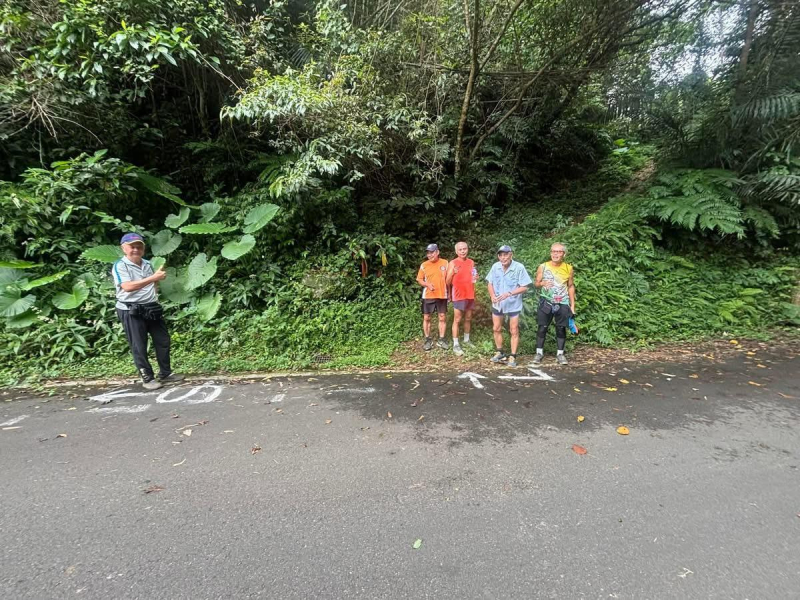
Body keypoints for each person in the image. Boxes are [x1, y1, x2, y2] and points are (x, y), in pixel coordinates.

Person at [112, 233, 184, 389]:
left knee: (163, 340)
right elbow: (128, 286)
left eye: (139, 246)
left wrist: (155, 288)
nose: (136, 249)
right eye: (132, 247)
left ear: (143, 248)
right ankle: (147, 378)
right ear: (123, 248)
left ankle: (166, 373)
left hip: (151, 307)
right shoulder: (120, 265)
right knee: (139, 344)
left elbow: (152, 284)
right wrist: (154, 278)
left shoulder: (147, 264)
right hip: (131, 309)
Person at [485, 245, 532, 368]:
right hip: (498, 303)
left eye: (506, 254)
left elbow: (525, 287)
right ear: (498, 256)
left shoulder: (519, 267)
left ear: (511, 254)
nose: (503, 257)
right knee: (496, 328)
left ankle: (513, 355)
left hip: (513, 304)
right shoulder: (495, 267)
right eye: (501, 255)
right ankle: (500, 352)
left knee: (514, 330)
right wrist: (492, 295)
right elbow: (490, 283)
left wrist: (510, 293)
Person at [532, 242, 576, 365]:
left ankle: (560, 354)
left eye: (558, 252)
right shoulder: (543, 266)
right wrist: (542, 284)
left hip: (562, 302)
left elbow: (571, 286)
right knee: (542, 327)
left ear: (564, 254)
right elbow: (536, 283)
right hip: (546, 301)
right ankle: (539, 353)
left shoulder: (568, 268)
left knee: (561, 328)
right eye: (553, 251)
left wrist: (572, 306)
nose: (555, 254)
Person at [445, 241, 477, 356]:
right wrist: (453, 273)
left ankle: (466, 340)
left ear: (467, 249)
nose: (463, 251)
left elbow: (473, 277)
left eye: (465, 249)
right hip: (458, 295)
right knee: (457, 320)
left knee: (468, 318)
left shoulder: (471, 262)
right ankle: (456, 344)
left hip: (470, 294)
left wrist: (475, 278)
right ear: (456, 251)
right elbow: (447, 282)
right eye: (460, 249)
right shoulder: (453, 263)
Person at [416, 243, 449, 351]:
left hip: (442, 294)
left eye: (432, 252)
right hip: (428, 295)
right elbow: (419, 279)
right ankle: (427, 339)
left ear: (437, 252)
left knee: (442, 317)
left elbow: (449, 278)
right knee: (427, 317)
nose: (430, 255)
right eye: (428, 253)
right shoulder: (424, 265)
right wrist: (427, 284)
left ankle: (442, 339)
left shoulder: (445, 263)